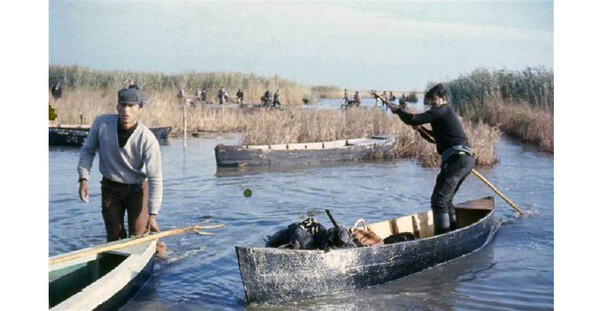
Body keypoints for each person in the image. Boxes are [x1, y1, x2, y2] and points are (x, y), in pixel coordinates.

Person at [77, 88, 165, 255]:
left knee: (140, 237)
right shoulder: (102, 124)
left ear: (140, 108)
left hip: (137, 189)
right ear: (117, 107)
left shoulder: (147, 139)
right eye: (123, 106)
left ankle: (161, 256)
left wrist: (152, 213)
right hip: (111, 188)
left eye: (132, 106)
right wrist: (83, 178)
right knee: (114, 238)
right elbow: (87, 150)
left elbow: (155, 178)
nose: (126, 111)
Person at [388, 84, 474, 235]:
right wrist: (421, 129)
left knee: (439, 201)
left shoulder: (442, 111)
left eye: (434, 100)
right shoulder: (442, 114)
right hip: (462, 161)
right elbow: (435, 139)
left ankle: (443, 236)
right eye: (429, 100)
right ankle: (452, 233)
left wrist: (398, 111)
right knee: (446, 201)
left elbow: (413, 119)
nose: (431, 103)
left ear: (443, 99)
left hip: (457, 160)